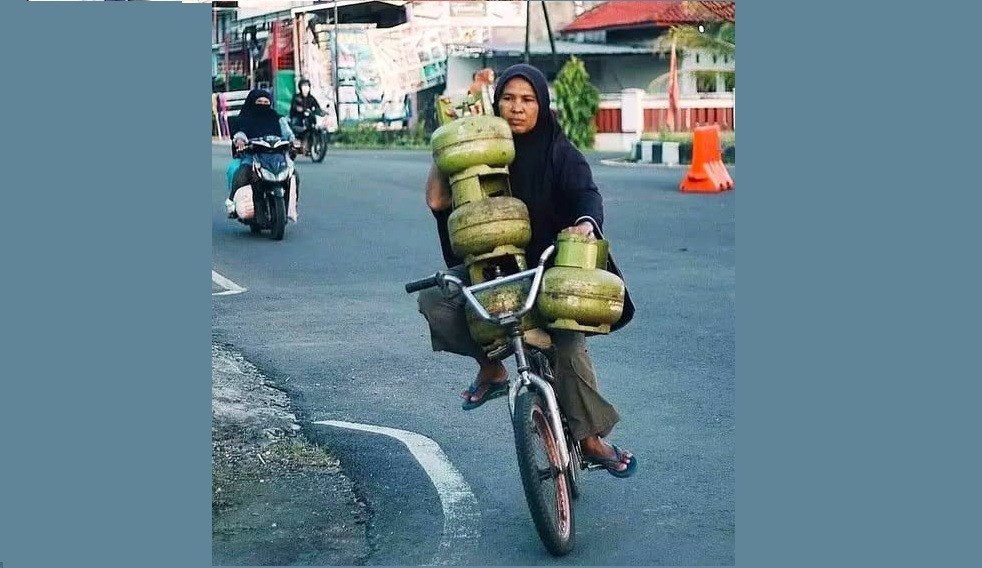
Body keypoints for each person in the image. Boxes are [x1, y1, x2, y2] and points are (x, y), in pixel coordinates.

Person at [417, 64, 638, 478]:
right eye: (508, 98)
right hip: (494, 272)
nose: (517, 108)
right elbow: (435, 200)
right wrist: (446, 146)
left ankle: (590, 439)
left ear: (542, 105)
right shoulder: (479, 154)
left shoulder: (559, 152)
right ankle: (491, 367)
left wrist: (586, 224)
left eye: (527, 99)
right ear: (496, 102)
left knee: (569, 344)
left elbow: (586, 196)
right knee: (437, 302)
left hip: (546, 272)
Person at [224, 89, 298, 217]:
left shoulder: (278, 118)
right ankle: (231, 202)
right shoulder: (245, 118)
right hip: (253, 155)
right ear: (252, 102)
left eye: (266, 102)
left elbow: (288, 134)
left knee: (294, 175)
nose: (263, 104)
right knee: (242, 173)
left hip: (277, 155)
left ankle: (292, 203)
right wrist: (240, 139)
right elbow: (239, 132)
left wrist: (294, 141)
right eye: (259, 101)